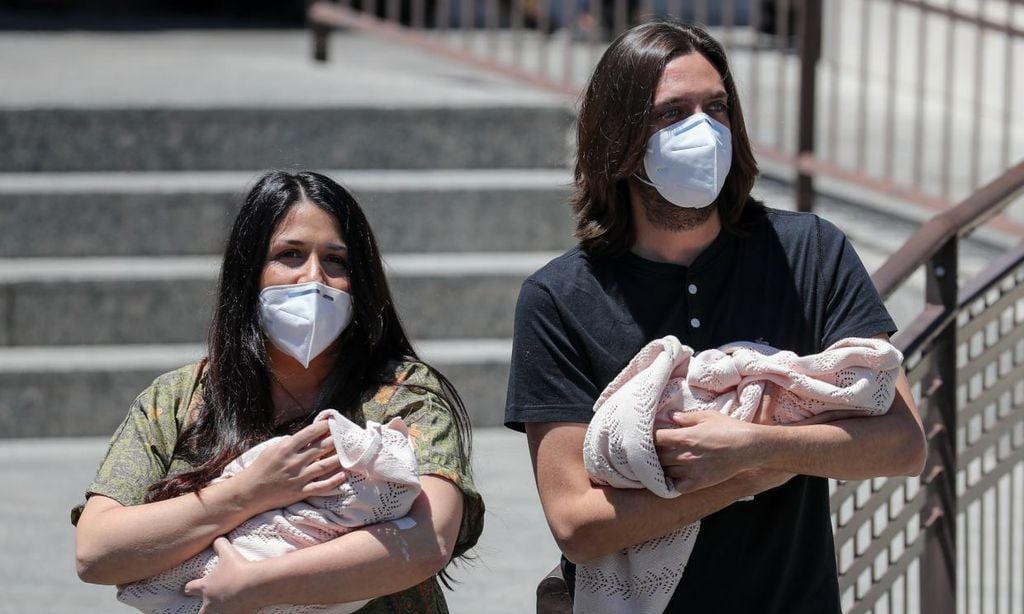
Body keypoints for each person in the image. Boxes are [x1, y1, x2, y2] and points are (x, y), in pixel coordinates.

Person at [504, 20, 927, 613]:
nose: (702, 129)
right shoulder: (558, 297)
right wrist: (744, 475)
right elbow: (576, 523)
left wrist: (754, 444)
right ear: (618, 139)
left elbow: (901, 444)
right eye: (671, 114)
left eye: (717, 107)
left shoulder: (810, 251)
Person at [73, 170, 484, 614]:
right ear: (248, 273)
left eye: (336, 261)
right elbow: (96, 552)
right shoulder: (176, 400)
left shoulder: (404, 395)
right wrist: (250, 491)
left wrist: (259, 584)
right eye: (289, 255)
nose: (314, 279)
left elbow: (428, 540)